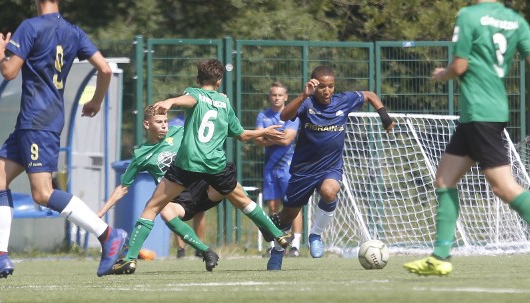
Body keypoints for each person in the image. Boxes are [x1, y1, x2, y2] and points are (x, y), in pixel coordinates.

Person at [403, 0, 530, 280]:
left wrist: (442, 75)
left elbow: (460, 66)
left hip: (480, 114)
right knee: (444, 180)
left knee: (503, 187)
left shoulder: (468, 16)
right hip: (482, 114)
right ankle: (440, 256)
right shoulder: (515, 20)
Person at [0, 0, 127, 288]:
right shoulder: (73, 31)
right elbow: (106, 70)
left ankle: (108, 235)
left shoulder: (30, 27)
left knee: (42, 193)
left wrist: (0, 52)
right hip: (36, 122)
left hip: (37, 121)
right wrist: (96, 101)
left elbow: (9, 71)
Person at [109, 59, 294, 272]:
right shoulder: (225, 104)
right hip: (215, 164)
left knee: (152, 207)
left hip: (188, 163)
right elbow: (241, 135)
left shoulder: (195, 93)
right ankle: (279, 235)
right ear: (219, 81)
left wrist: (170, 102)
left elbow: (188, 99)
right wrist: (263, 131)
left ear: (198, 80)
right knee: (244, 201)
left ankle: (130, 258)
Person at [97, 106, 283, 273]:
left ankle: (271, 229)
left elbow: (212, 131)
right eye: (158, 122)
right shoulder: (141, 154)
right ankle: (206, 251)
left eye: (165, 121)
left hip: (202, 185)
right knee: (165, 210)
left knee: (231, 187)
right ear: (146, 124)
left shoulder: (180, 132)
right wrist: (100, 213)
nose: (164, 125)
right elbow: (123, 187)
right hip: (180, 199)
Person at [267, 66, 394, 270]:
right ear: (314, 86)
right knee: (286, 217)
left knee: (329, 191)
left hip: (330, 168)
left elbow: (369, 95)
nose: (327, 91)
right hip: (303, 170)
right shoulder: (306, 103)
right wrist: (302, 95)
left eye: (331, 86)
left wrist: (384, 116)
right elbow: (284, 117)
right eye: (322, 87)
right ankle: (277, 251)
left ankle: (316, 235)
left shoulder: (343, 101)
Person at [254, 81, 302, 257]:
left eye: (280, 95)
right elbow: (257, 140)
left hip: (288, 168)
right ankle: (277, 244)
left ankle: (296, 245)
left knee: (293, 205)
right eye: (274, 95)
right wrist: (271, 136)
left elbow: (286, 140)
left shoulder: (291, 115)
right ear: (270, 96)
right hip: (269, 168)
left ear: (286, 97)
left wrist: (267, 135)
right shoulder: (263, 115)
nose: (276, 98)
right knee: (273, 206)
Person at [166, 110, 206, 259]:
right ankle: (181, 248)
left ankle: (200, 247)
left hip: (197, 167)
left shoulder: (201, 120)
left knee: (200, 208)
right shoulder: (173, 123)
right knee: (175, 207)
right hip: (179, 169)